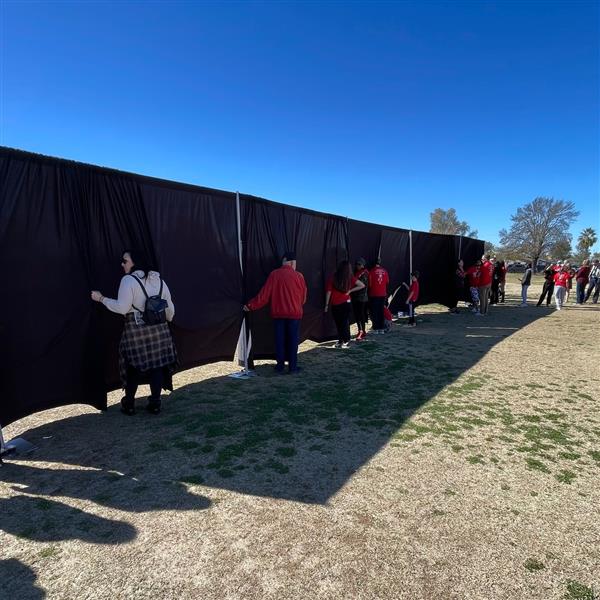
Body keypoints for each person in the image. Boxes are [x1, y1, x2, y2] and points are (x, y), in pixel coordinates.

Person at [91, 249, 177, 415]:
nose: (122, 264)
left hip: (136, 330)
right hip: (160, 330)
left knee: (133, 366)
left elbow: (122, 307)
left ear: (134, 262)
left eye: (125, 261)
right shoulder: (159, 280)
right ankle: (155, 403)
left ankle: (129, 403)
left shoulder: (128, 281)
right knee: (157, 367)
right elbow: (170, 309)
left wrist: (101, 299)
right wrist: (167, 320)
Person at [244, 251, 307, 374]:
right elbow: (303, 298)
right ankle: (293, 367)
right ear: (292, 262)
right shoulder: (299, 276)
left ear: (284, 260)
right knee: (293, 341)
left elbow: (264, 296)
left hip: (279, 314)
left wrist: (250, 306)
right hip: (295, 314)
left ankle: (280, 366)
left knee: (280, 341)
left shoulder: (274, 274)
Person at [325, 260, 365, 348]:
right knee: (345, 322)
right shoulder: (350, 278)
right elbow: (362, 285)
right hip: (346, 303)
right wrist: (350, 290)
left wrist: (326, 305)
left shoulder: (333, 277)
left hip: (336, 304)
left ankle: (341, 340)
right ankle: (346, 340)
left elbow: (329, 292)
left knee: (338, 323)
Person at [368, 259, 389, 334]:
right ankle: (381, 328)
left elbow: (369, 285)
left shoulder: (371, 272)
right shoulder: (385, 271)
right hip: (383, 294)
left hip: (374, 294)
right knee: (381, 311)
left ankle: (376, 328)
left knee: (375, 312)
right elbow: (387, 282)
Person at [350, 258, 370, 340]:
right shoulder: (358, 272)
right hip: (357, 297)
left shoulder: (364, 273)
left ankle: (362, 331)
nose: (357, 266)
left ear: (363, 265)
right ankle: (360, 331)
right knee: (358, 315)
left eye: (359, 264)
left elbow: (362, 286)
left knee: (360, 315)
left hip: (361, 298)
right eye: (357, 264)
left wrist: (351, 290)